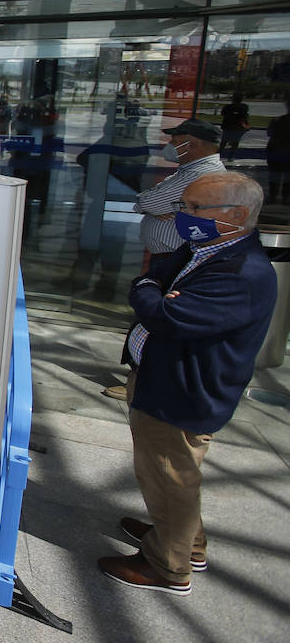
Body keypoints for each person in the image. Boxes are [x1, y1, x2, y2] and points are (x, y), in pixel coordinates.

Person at [98, 172, 276, 596]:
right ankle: (184, 539)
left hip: (182, 390)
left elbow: (165, 315)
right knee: (174, 474)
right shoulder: (206, 249)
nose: (183, 216)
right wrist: (153, 288)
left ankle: (168, 565)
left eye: (195, 209)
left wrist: (150, 292)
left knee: (169, 475)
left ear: (236, 215)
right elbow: (156, 272)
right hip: (164, 378)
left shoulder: (242, 273)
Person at [135, 120, 225, 275]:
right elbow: (148, 200)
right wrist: (149, 204)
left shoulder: (199, 174)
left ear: (192, 144)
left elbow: (148, 202)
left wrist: (149, 206)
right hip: (171, 256)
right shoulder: (190, 170)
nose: (169, 146)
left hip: (175, 258)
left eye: (174, 142)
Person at [266, 100, 290, 204]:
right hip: (286, 152)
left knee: (274, 175)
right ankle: (285, 197)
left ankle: (273, 196)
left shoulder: (277, 120)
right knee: (288, 177)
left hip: (275, 151)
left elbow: (269, 133)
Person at [218, 93, 250, 159]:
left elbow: (223, 114)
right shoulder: (243, 107)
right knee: (233, 142)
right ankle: (230, 156)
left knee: (225, 142)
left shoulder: (228, 107)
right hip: (235, 127)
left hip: (231, 126)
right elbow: (244, 116)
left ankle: (223, 155)